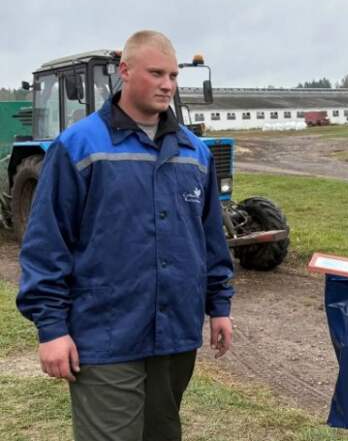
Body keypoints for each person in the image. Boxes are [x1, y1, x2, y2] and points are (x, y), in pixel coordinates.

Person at [17, 30, 234, 441]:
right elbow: (47, 244)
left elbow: (210, 241)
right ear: (125, 71)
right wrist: (52, 328)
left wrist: (219, 305)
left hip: (175, 337)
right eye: (156, 73)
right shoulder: (79, 147)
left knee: (163, 434)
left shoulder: (195, 153)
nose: (167, 85)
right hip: (105, 334)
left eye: (173, 75)